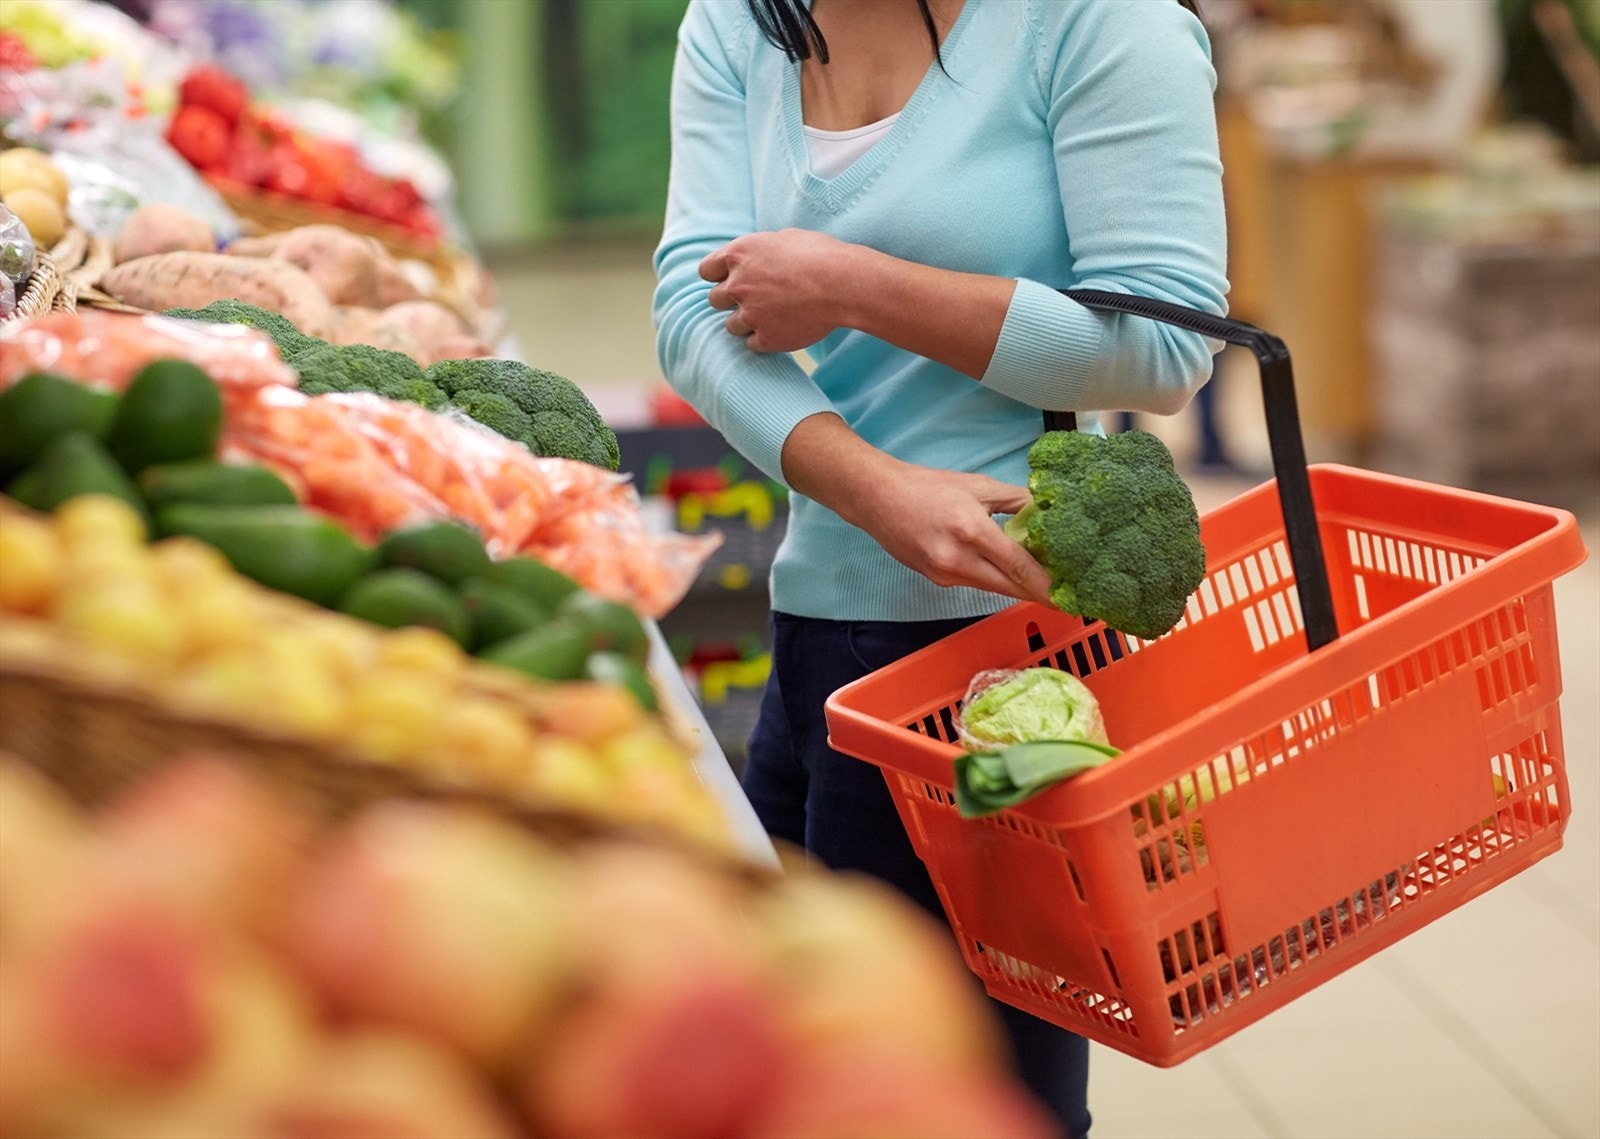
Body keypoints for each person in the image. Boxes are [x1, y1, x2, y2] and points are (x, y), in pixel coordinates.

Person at [652, 1, 1227, 1133]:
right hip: (818, 618)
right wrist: (870, 486)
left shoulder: (1095, 22)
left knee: (966, 1094)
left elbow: (1165, 345)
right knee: (802, 1073)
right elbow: (694, 305)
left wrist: (854, 284)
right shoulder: (738, 21)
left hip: (1000, 655)